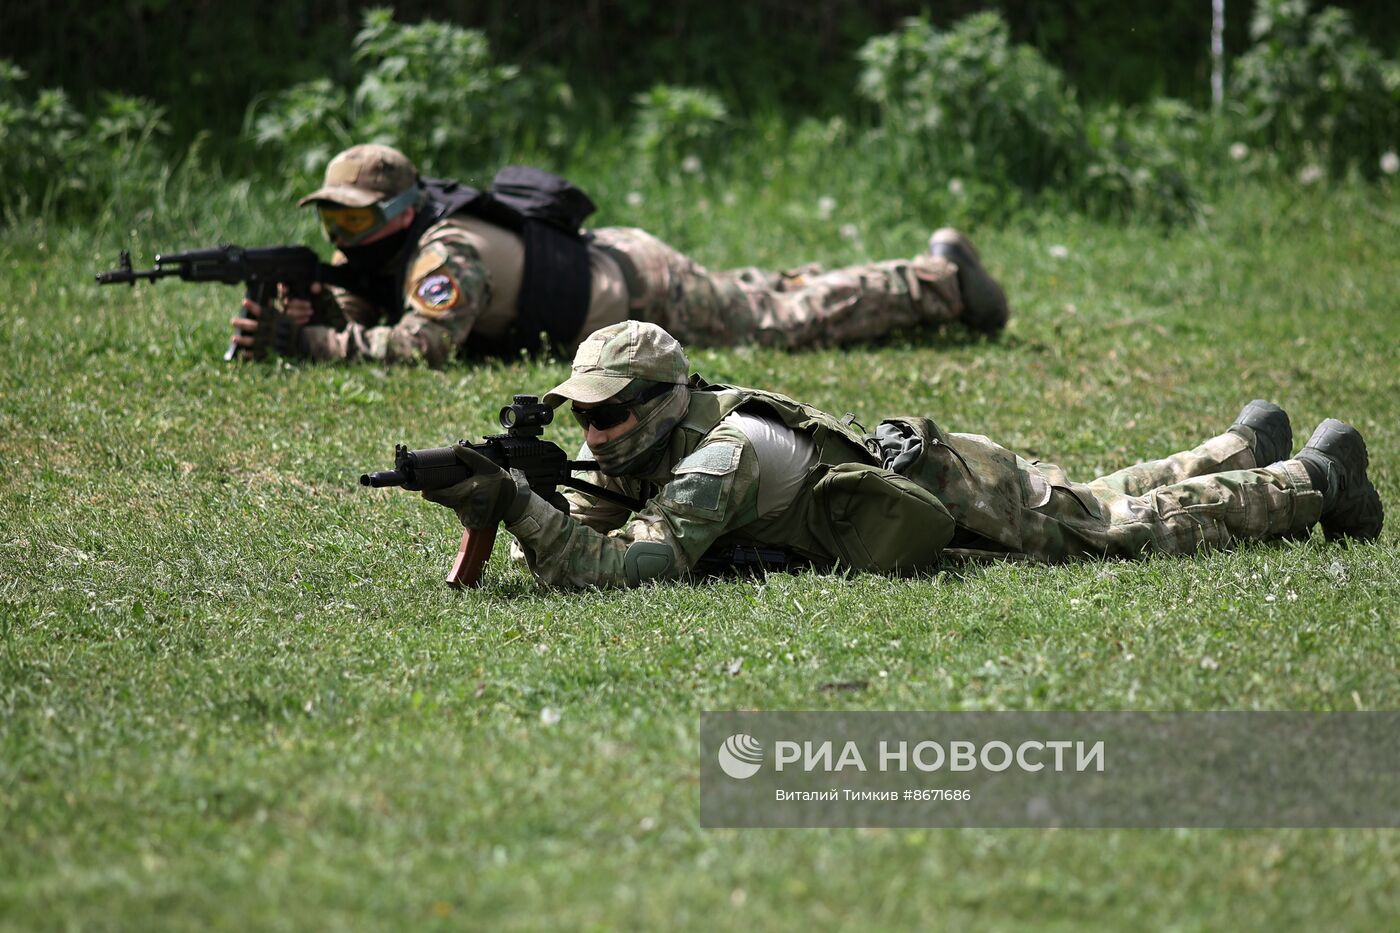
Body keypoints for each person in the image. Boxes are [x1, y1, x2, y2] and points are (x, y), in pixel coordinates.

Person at [417, 321, 1384, 589]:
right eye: (582, 416)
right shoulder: (661, 434)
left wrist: (518, 508)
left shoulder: (719, 452)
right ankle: (1241, 441)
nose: (596, 431)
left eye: (614, 411)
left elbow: (637, 563)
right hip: (934, 469)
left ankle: (1317, 477)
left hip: (956, 491)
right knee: (1087, 498)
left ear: (664, 401)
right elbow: (592, 523)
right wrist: (514, 502)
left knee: (1117, 532)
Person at [231, 144, 1010, 365]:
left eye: (357, 222)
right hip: (618, 266)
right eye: (332, 221)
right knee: (761, 293)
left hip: (642, 292)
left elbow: (421, 343)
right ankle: (920, 272)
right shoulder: (397, 247)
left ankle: (942, 282)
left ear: (401, 214)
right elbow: (372, 303)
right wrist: (318, 309)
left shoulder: (448, 249)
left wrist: (310, 343)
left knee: (778, 320)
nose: (343, 239)